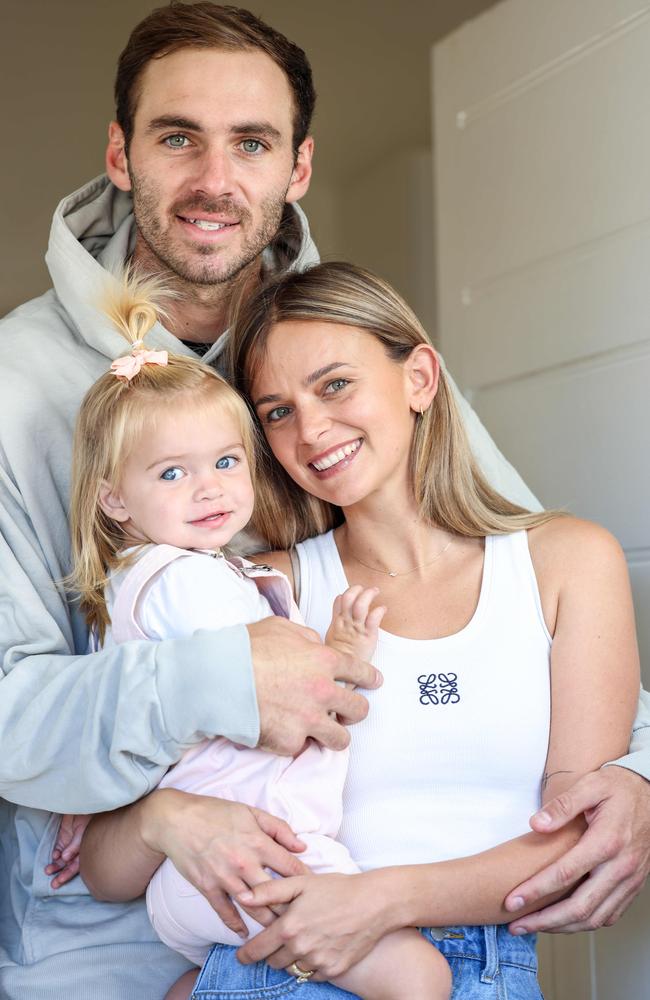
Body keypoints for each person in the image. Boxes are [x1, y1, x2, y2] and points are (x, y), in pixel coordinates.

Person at [0, 2, 648, 997]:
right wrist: (187, 762)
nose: (216, 181)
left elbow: (512, 572)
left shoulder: (348, 354)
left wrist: (638, 769)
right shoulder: (14, 386)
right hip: (96, 946)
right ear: (121, 154)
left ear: (296, 167)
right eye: (178, 137)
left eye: (250, 143)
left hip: (347, 921)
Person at [77, 261, 640, 998]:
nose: (310, 430)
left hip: (470, 973)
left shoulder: (568, 563)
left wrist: (378, 904)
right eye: (276, 411)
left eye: (334, 385)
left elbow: (580, 839)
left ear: (420, 379)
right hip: (274, 966)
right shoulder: (254, 596)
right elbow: (104, 870)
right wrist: (165, 815)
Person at [49, 272, 451, 1000]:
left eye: (226, 462)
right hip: (250, 858)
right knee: (418, 977)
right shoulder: (183, 582)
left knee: (220, 985)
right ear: (113, 499)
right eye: (172, 472)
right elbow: (280, 698)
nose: (209, 489)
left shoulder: (191, 576)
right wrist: (345, 658)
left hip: (206, 874)